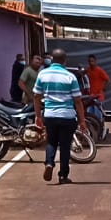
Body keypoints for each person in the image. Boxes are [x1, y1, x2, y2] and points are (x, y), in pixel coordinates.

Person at [32, 48, 83, 184]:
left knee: (51, 142)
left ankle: (49, 163)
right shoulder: (70, 76)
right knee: (65, 146)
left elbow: (36, 96)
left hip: (50, 114)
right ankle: (63, 175)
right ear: (65, 61)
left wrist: (38, 116)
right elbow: (78, 101)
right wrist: (82, 121)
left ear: (51, 60)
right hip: (67, 115)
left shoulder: (43, 74)